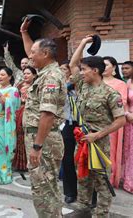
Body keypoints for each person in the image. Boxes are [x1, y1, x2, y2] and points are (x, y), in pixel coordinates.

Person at [69, 35, 126, 216]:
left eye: (85, 69)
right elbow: (72, 64)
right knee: (83, 176)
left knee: (101, 180)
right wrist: (84, 43)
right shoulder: (83, 86)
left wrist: (98, 135)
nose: (82, 72)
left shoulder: (110, 94)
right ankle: (83, 208)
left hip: (99, 142)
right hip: (83, 139)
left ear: (95, 70)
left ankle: (101, 213)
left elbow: (121, 120)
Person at [20, 18, 66, 217]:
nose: (30, 57)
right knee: (48, 187)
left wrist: (37, 147)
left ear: (45, 54)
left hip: (43, 141)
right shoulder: (46, 71)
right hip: (41, 139)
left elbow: (47, 114)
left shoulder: (51, 77)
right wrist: (24, 33)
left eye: (33, 53)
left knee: (43, 191)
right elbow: (32, 52)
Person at [102, 56, 127, 188]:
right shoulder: (96, 82)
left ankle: (109, 179)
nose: (103, 67)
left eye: (106, 65)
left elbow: (122, 102)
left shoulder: (120, 84)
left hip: (112, 121)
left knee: (110, 150)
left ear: (114, 68)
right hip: (96, 122)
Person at [59, 61, 78, 204]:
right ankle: (70, 192)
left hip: (83, 124)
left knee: (84, 159)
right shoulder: (61, 85)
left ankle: (89, 193)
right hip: (67, 124)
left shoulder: (82, 85)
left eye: (65, 69)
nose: (63, 71)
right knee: (67, 159)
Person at [13, 66, 37, 173]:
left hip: (31, 113)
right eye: (25, 73)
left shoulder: (37, 86)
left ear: (34, 75)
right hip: (20, 110)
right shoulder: (20, 86)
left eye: (28, 73)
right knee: (19, 135)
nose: (26, 75)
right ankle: (19, 163)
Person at [123, 70, 133, 193]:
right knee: (130, 151)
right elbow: (124, 101)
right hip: (129, 120)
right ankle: (130, 181)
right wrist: (127, 114)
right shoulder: (128, 82)